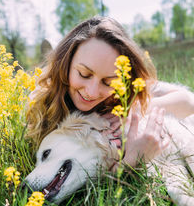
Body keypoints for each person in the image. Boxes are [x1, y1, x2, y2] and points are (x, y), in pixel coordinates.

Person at [27, 16, 194, 169]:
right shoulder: (42, 103)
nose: (91, 92)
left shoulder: (124, 92)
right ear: (66, 63)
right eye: (84, 74)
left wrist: (130, 112)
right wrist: (131, 162)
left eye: (108, 82)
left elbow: (187, 102)